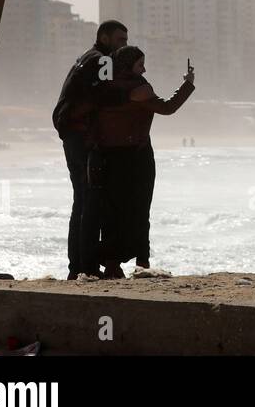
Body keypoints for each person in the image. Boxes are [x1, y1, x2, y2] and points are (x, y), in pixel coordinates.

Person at [90, 46, 195, 279]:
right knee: (139, 209)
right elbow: (167, 107)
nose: (144, 69)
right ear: (129, 66)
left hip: (107, 157)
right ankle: (142, 264)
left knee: (111, 213)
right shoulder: (139, 89)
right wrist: (188, 84)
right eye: (140, 65)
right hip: (137, 158)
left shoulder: (104, 88)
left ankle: (111, 265)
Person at [52, 19, 129, 280]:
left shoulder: (86, 58)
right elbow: (106, 95)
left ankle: (78, 267)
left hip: (72, 134)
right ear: (105, 38)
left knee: (82, 201)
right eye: (120, 40)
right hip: (80, 137)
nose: (123, 46)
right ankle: (85, 266)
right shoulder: (102, 60)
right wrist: (132, 95)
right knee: (89, 201)